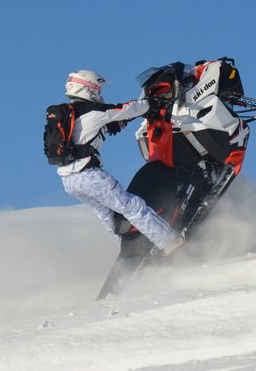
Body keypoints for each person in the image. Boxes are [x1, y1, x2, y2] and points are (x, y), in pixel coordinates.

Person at [56, 69, 184, 255]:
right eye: (97, 89)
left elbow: (87, 132)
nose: (99, 94)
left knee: (107, 213)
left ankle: (128, 249)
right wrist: (152, 103)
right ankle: (170, 242)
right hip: (89, 176)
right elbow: (126, 109)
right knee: (132, 206)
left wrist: (115, 124)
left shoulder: (71, 115)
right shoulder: (93, 111)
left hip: (69, 181)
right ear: (87, 89)